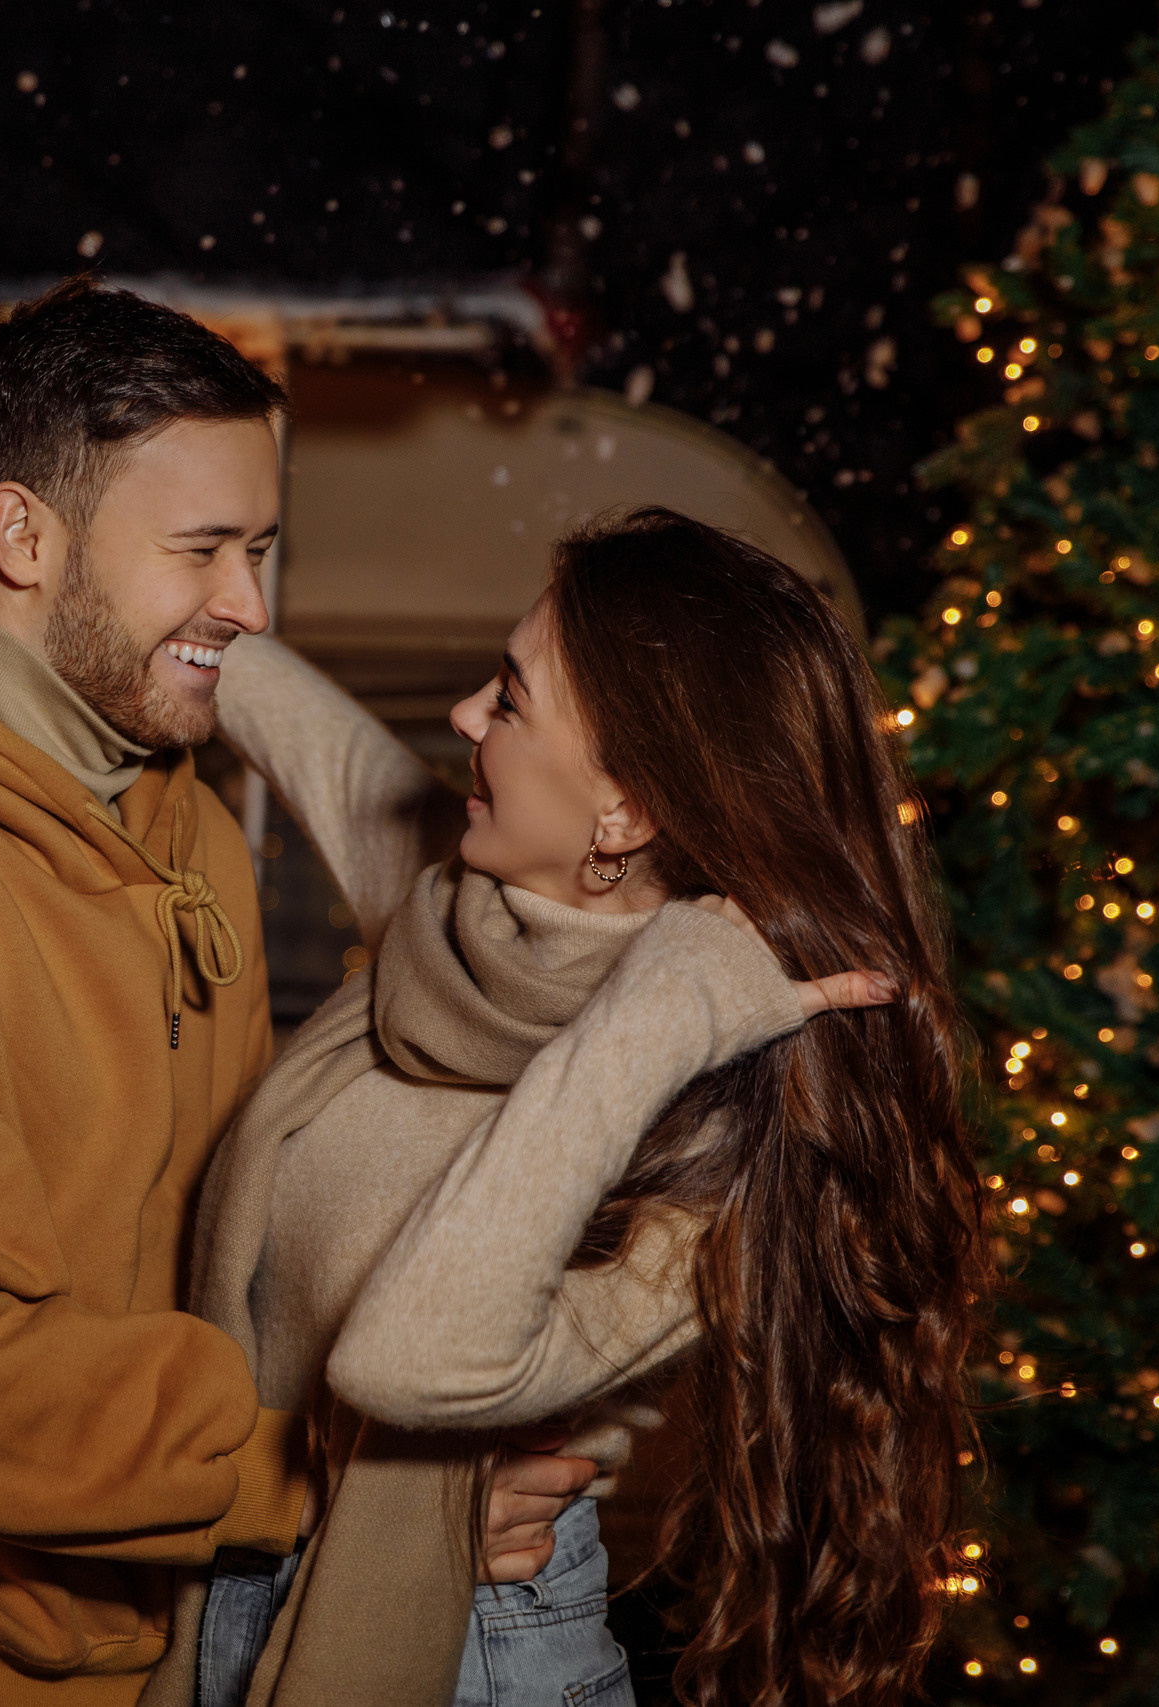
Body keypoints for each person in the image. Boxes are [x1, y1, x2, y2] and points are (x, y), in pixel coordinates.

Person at [0, 277, 591, 1707]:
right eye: (203, 550)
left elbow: (237, 1249)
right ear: (23, 534)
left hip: (152, 1634)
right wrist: (328, 1474)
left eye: (260, 549)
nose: (251, 607)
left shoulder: (183, 828)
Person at [160, 509, 985, 1707]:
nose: (462, 718)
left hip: (473, 1653)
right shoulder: (455, 925)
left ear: (625, 812)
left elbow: (406, 1362)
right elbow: (270, 699)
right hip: (234, 1579)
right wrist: (45, 568)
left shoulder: (718, 1135)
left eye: (507, 699)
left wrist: (654, 1019)